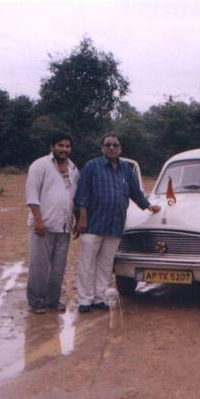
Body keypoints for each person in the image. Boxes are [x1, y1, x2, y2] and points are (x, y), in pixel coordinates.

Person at [74, 132, 160, 313]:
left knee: (105, 264)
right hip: (93, 224)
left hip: (115, 225)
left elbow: (135, 193)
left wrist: (148, 207)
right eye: (108, 145)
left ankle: (98, 298)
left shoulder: (126, 169)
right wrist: (82, 217)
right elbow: (82, 194)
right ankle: (84, 300)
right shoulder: (92, 166)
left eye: (115, 145)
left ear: (120, 149)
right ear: (102, 148)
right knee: (87, 263)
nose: (111, 148)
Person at [25, 132, 80, 314]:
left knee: (58, 267)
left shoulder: (73, 169)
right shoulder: (40, 165)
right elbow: (32, 195)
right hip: (43, 225)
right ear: (52, 147)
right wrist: (38, 220)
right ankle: (36, 302)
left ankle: (53, 300)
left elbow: (75, 198)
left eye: (67, 146)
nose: (64, 149)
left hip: (64, 226)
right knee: (39, 265)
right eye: (60, 145)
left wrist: (77, 221)